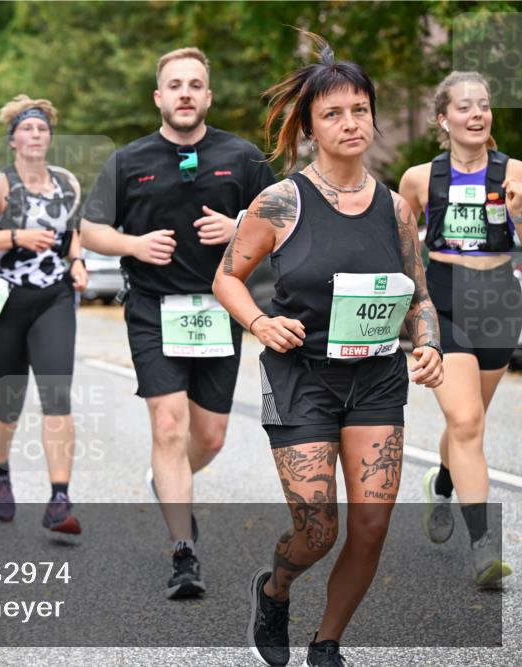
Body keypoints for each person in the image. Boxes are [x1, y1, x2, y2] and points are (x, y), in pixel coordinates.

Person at [211, 36, 444, 667]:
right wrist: (260, 321)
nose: (350, 123)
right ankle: (275, 587)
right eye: (333, 113)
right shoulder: (282, 201)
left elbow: (418, 297)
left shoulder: (395, 209)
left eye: (360, 110)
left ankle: (328, 642)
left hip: (375, 380)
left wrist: (426, 346)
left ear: (372, 115)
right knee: (319, 529)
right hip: (302, 378)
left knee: (369, 528)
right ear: (310, 127)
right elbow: (226, 278)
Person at [81, 47, 276, 598]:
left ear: (208, 96)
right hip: (151, 310)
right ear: (159, 97)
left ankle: (169, 480)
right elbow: (91, 231)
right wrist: (133, 244)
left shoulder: (241, 158)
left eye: (195, 84)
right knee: (169, 426)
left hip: (219, 309)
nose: (186, 92)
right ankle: (183, 552)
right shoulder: (128, 160)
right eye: (175, 84)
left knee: (209, 437)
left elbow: (285, 221)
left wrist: (239, 224)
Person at [399, 71, 520, 587]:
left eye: (484, 106)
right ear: (443, 119)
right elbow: (401, 250)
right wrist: (406, 309)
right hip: (443, 297)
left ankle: (441, 481)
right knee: (468, 421)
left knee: (468, 420)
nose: (477, 114)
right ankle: (483, 547)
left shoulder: (515, 172)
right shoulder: (418, 179)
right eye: (464, 107)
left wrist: (518, 214)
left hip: (498, 299)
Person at [0, 94, 88, 534]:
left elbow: (73, 231)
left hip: (53, 299)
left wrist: (78, 262)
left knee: (57, 395)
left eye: (42, 129)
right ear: (13, 139)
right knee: (9, 402)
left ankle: (59, 499)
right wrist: (16, 236)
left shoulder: (66, 182)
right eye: (27, 129)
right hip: (4, 303)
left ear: (49, 138)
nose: (36, 135)